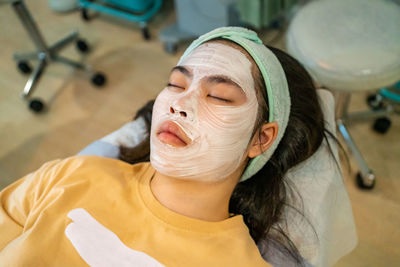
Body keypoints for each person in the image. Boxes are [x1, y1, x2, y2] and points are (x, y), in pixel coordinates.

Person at [0, 27, 340, 266]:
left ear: (260, 138)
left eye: (218, 95)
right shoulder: (74, 173)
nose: (180, 103)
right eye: (176, 84)